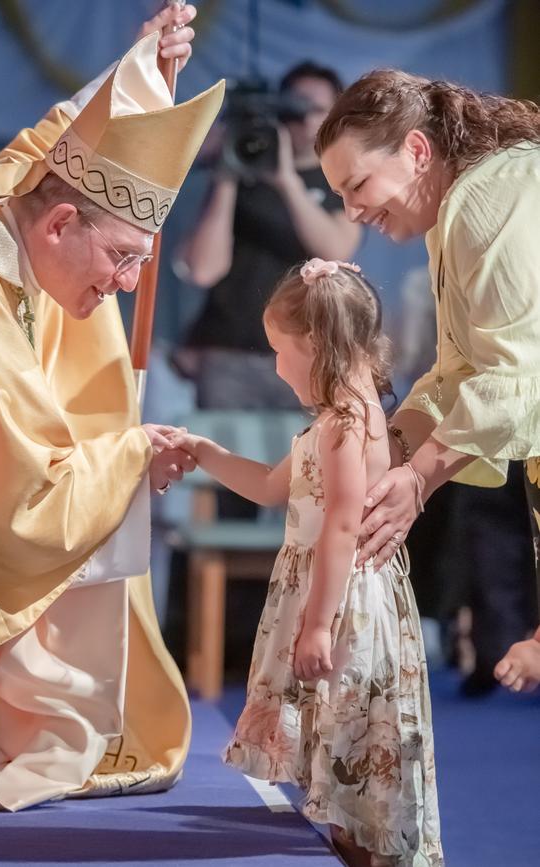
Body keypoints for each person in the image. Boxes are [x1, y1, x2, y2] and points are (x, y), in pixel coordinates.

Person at [0, 7, 225, 811]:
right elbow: (18, 503)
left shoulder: (5, 197)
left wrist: (140, 69)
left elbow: (52, 141)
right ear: (64, 222)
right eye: (123, 257)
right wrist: (134, 450)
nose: (127, 284)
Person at [173, 258, 443, 867]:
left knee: (352, 734)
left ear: (316, 344)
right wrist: (206, 452)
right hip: (330, 590)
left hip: (341, 599)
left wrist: (318, 623)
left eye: (278, 349)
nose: (274, 364)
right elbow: (272, 487)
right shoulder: (336, 420)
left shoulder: (348, 425)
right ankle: (352, 843)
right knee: (340, 744)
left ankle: (367, 849)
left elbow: (343, 524)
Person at [316, 70, 540, 694]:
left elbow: (515, 372)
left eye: (357, 185)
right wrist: (379, 451)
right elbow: (458, 370)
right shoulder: (460, 206)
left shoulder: (488, 197)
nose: (353, 210)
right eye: (339, 194)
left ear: (417, 151)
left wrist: (418, 479)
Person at [180, 61, 361, 413]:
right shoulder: (242, 171)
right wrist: (229, 174)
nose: (306, 120)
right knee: (223, 464)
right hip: (229, 353)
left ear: (335, 117)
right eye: (295, 109)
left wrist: (287, 180)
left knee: (304, 466)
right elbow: (202, 269)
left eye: (317, 110)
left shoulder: (339, 180)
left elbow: (337, 250)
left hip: (310, 354)